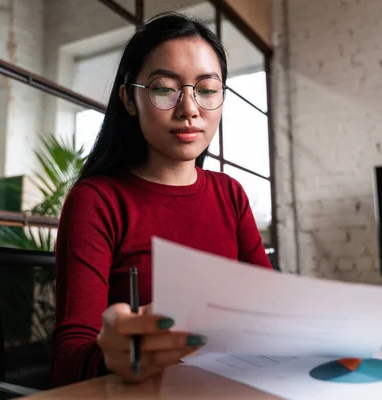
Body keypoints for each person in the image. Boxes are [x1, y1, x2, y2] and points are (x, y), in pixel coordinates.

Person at [51, 12, 273, 387]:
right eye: (164, 88)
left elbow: (272, 310)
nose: (189, 109)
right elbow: (68, 360)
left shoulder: (230, 193)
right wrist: (115, 354)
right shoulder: (98, 201)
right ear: (130, 99)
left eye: (206, 90)